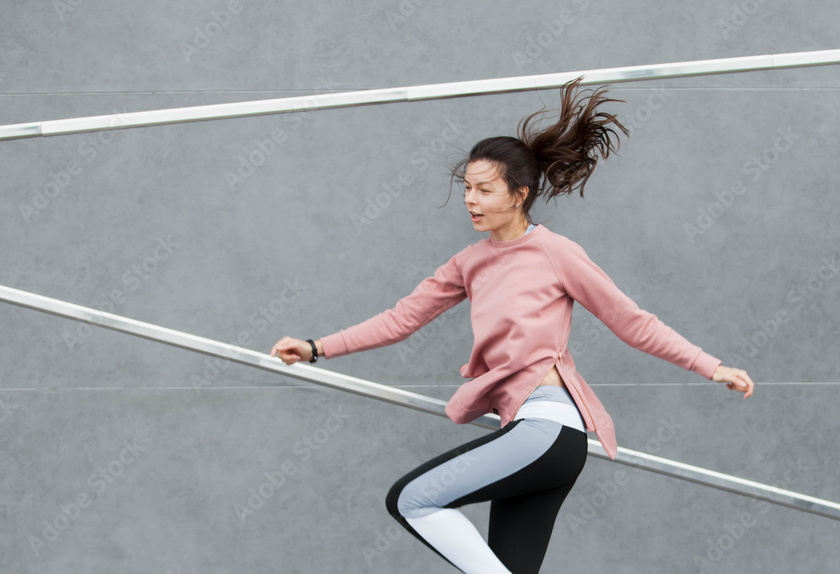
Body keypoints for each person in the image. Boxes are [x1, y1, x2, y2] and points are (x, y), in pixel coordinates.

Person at [269, 78, 755, 574]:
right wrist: (314, 347)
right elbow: (401, 319)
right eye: (466, 189)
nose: (470, 200)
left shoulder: (555, 252)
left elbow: (629, 320)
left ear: (519, 194)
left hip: (549, 432)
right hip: (527, 436)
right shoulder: (469, 262)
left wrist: (710, 366)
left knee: (411, 500)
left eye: (484, 189)